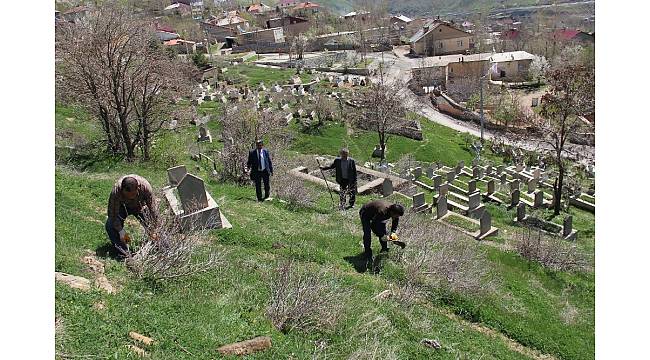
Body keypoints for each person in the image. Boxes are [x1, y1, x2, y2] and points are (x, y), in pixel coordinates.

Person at [105, 175, 159, 258]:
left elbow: (153, 210)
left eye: (133, 194)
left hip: (140, 206)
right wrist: (121, 231)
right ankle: (124, 253)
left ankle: (163, 247)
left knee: (155, 229)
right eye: (128, 195)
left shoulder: (145, 187)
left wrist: (154, 229)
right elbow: (113, 215)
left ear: (138, 188)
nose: (131, 197)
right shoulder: (116, 192)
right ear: (122, 190)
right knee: (110, 225)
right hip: (122, 207)